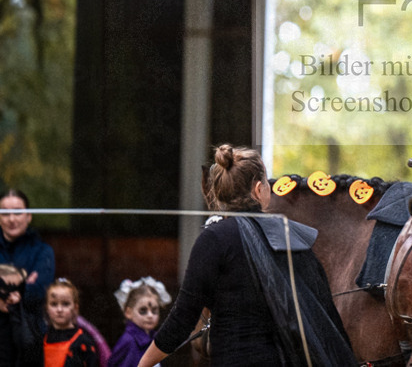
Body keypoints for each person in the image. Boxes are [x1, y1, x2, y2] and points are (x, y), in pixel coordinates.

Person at [138, 144, 358, 367]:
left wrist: (143, 364)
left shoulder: (213, 240)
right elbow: (325, 320)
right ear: (259, 189)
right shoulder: (292, 238)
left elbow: (182, 319)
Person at [1, 189, 55, 334]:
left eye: (18, 212)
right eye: (5, 213)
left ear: (28, 216)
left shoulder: (43, 251)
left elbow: (39, 291)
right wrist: (23, 284)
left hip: (30, 335)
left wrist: (6, 294)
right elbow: (28, 289)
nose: (12, 219)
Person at [108, 277, 171, 367]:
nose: (150, 315)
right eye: (143, 310)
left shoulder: (155, 339)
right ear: (128, 312)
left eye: (154, 310)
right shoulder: (129, 341)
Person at [42, 278, 99, 367]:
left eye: (65, 304)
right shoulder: (41, 338)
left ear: (75, 308)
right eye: (54, 304)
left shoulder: (83, 341)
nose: (59, 310)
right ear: (47, 308)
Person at [1, 264, 42, 367]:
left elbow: (29, 348)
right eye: (6, 289)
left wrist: (16, 311)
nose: (12, 297)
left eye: (17, 290)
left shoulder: (26, 319)